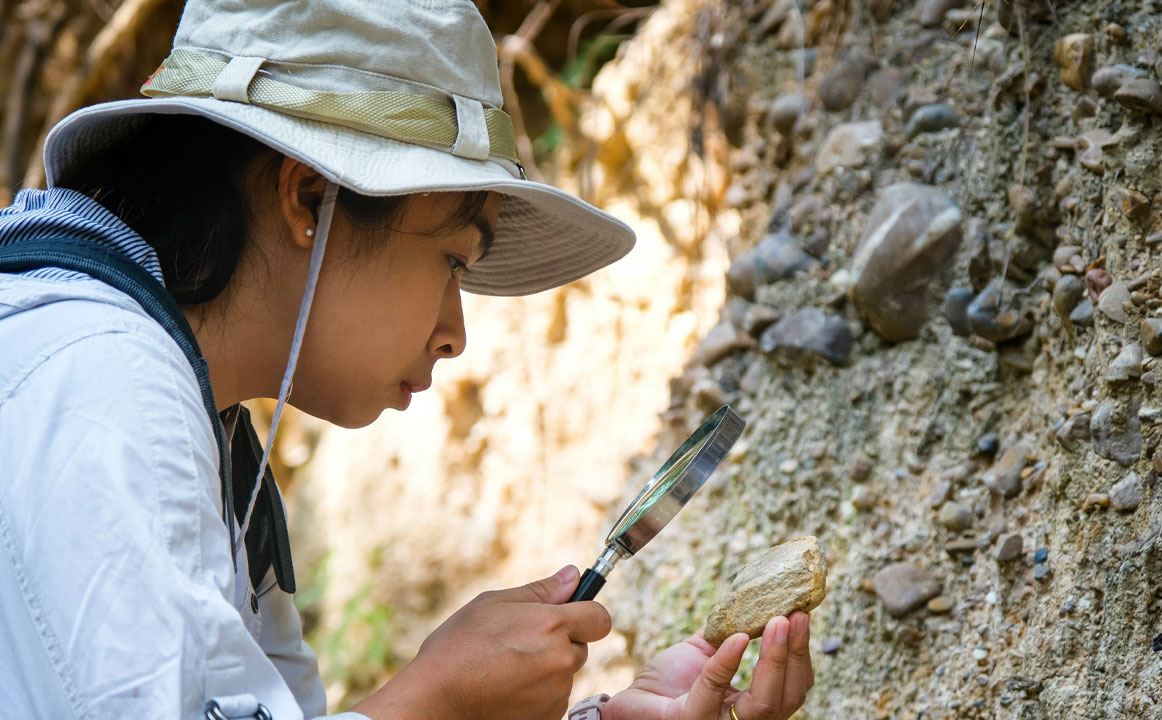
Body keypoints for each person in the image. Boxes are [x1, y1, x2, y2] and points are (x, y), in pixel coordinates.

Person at [0, 1, 814, 719]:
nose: (455, 333)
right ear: (309, 200)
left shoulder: (199, 430)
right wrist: (432, 701)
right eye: (455, 260)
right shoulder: (101, 384)